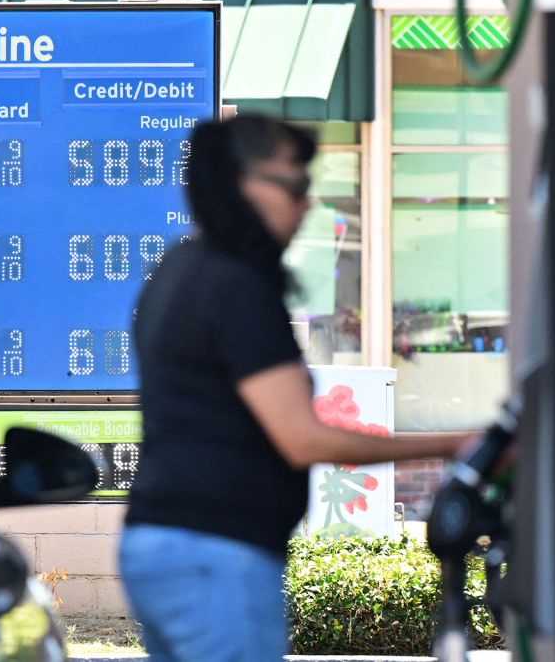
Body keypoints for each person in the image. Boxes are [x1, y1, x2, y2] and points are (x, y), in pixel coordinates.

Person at [119, 114, 471, 662]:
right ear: (241, 182)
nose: (307, 205)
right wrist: (452, 444)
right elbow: (302, 440)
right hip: (220, 555)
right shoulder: (235, 284)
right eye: (298, 185)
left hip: (159, 544)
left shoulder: (176, 268)